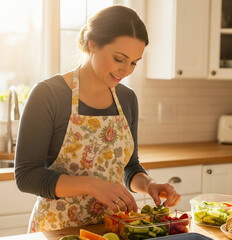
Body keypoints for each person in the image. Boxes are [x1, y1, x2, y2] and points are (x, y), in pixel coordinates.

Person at [14, 5, 181, 233]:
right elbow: (26, 176)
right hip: (58, 230)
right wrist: (93, 185)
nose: (126, 70)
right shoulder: (48, 95)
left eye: (134, 62)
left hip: (111, 229)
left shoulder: (127, 99)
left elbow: (129, 167)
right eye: (119, 58)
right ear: (92, 44)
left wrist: (150, 184)